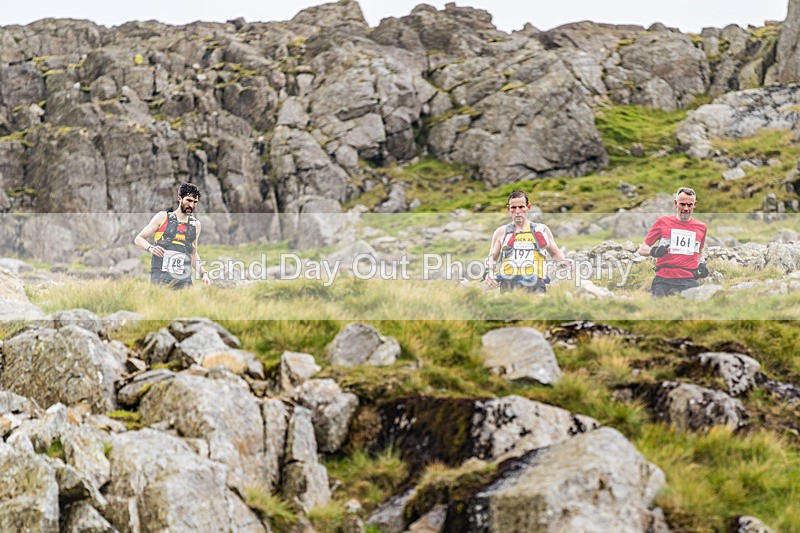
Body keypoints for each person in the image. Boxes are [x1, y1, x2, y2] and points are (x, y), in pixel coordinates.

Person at [484, 190, 569, 293]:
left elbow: (555, 253)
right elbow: (492, 258)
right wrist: (489, 273)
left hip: (536, 284)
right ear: (508, 209)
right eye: (513, 208)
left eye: (521, 207)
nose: (518, 211)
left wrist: (564, 262)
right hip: (508, 284)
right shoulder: (501, 232)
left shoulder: (541, 229)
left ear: (528, 207)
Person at [134, 182, 210, 288]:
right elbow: (138, 239)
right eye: (189, 200)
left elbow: (193, 254)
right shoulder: (162, 217)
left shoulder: (195, 225)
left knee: (189, 304)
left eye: (195, 202)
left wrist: (203, 274)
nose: (192, 205)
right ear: (180, 198)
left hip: (184, 279)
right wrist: (150, 248)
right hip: (160, 276)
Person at [638, 186, 708, 297]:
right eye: (682, 204)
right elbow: (642, 249)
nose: (686, 208)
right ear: (676, 203)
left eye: (689, 205)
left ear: (694, 205)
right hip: (663, 279)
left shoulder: (701, 227)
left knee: (691, 312)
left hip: (688, 280)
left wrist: (702, 264)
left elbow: (700, 252)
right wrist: (655, 251)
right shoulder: (662, 222)